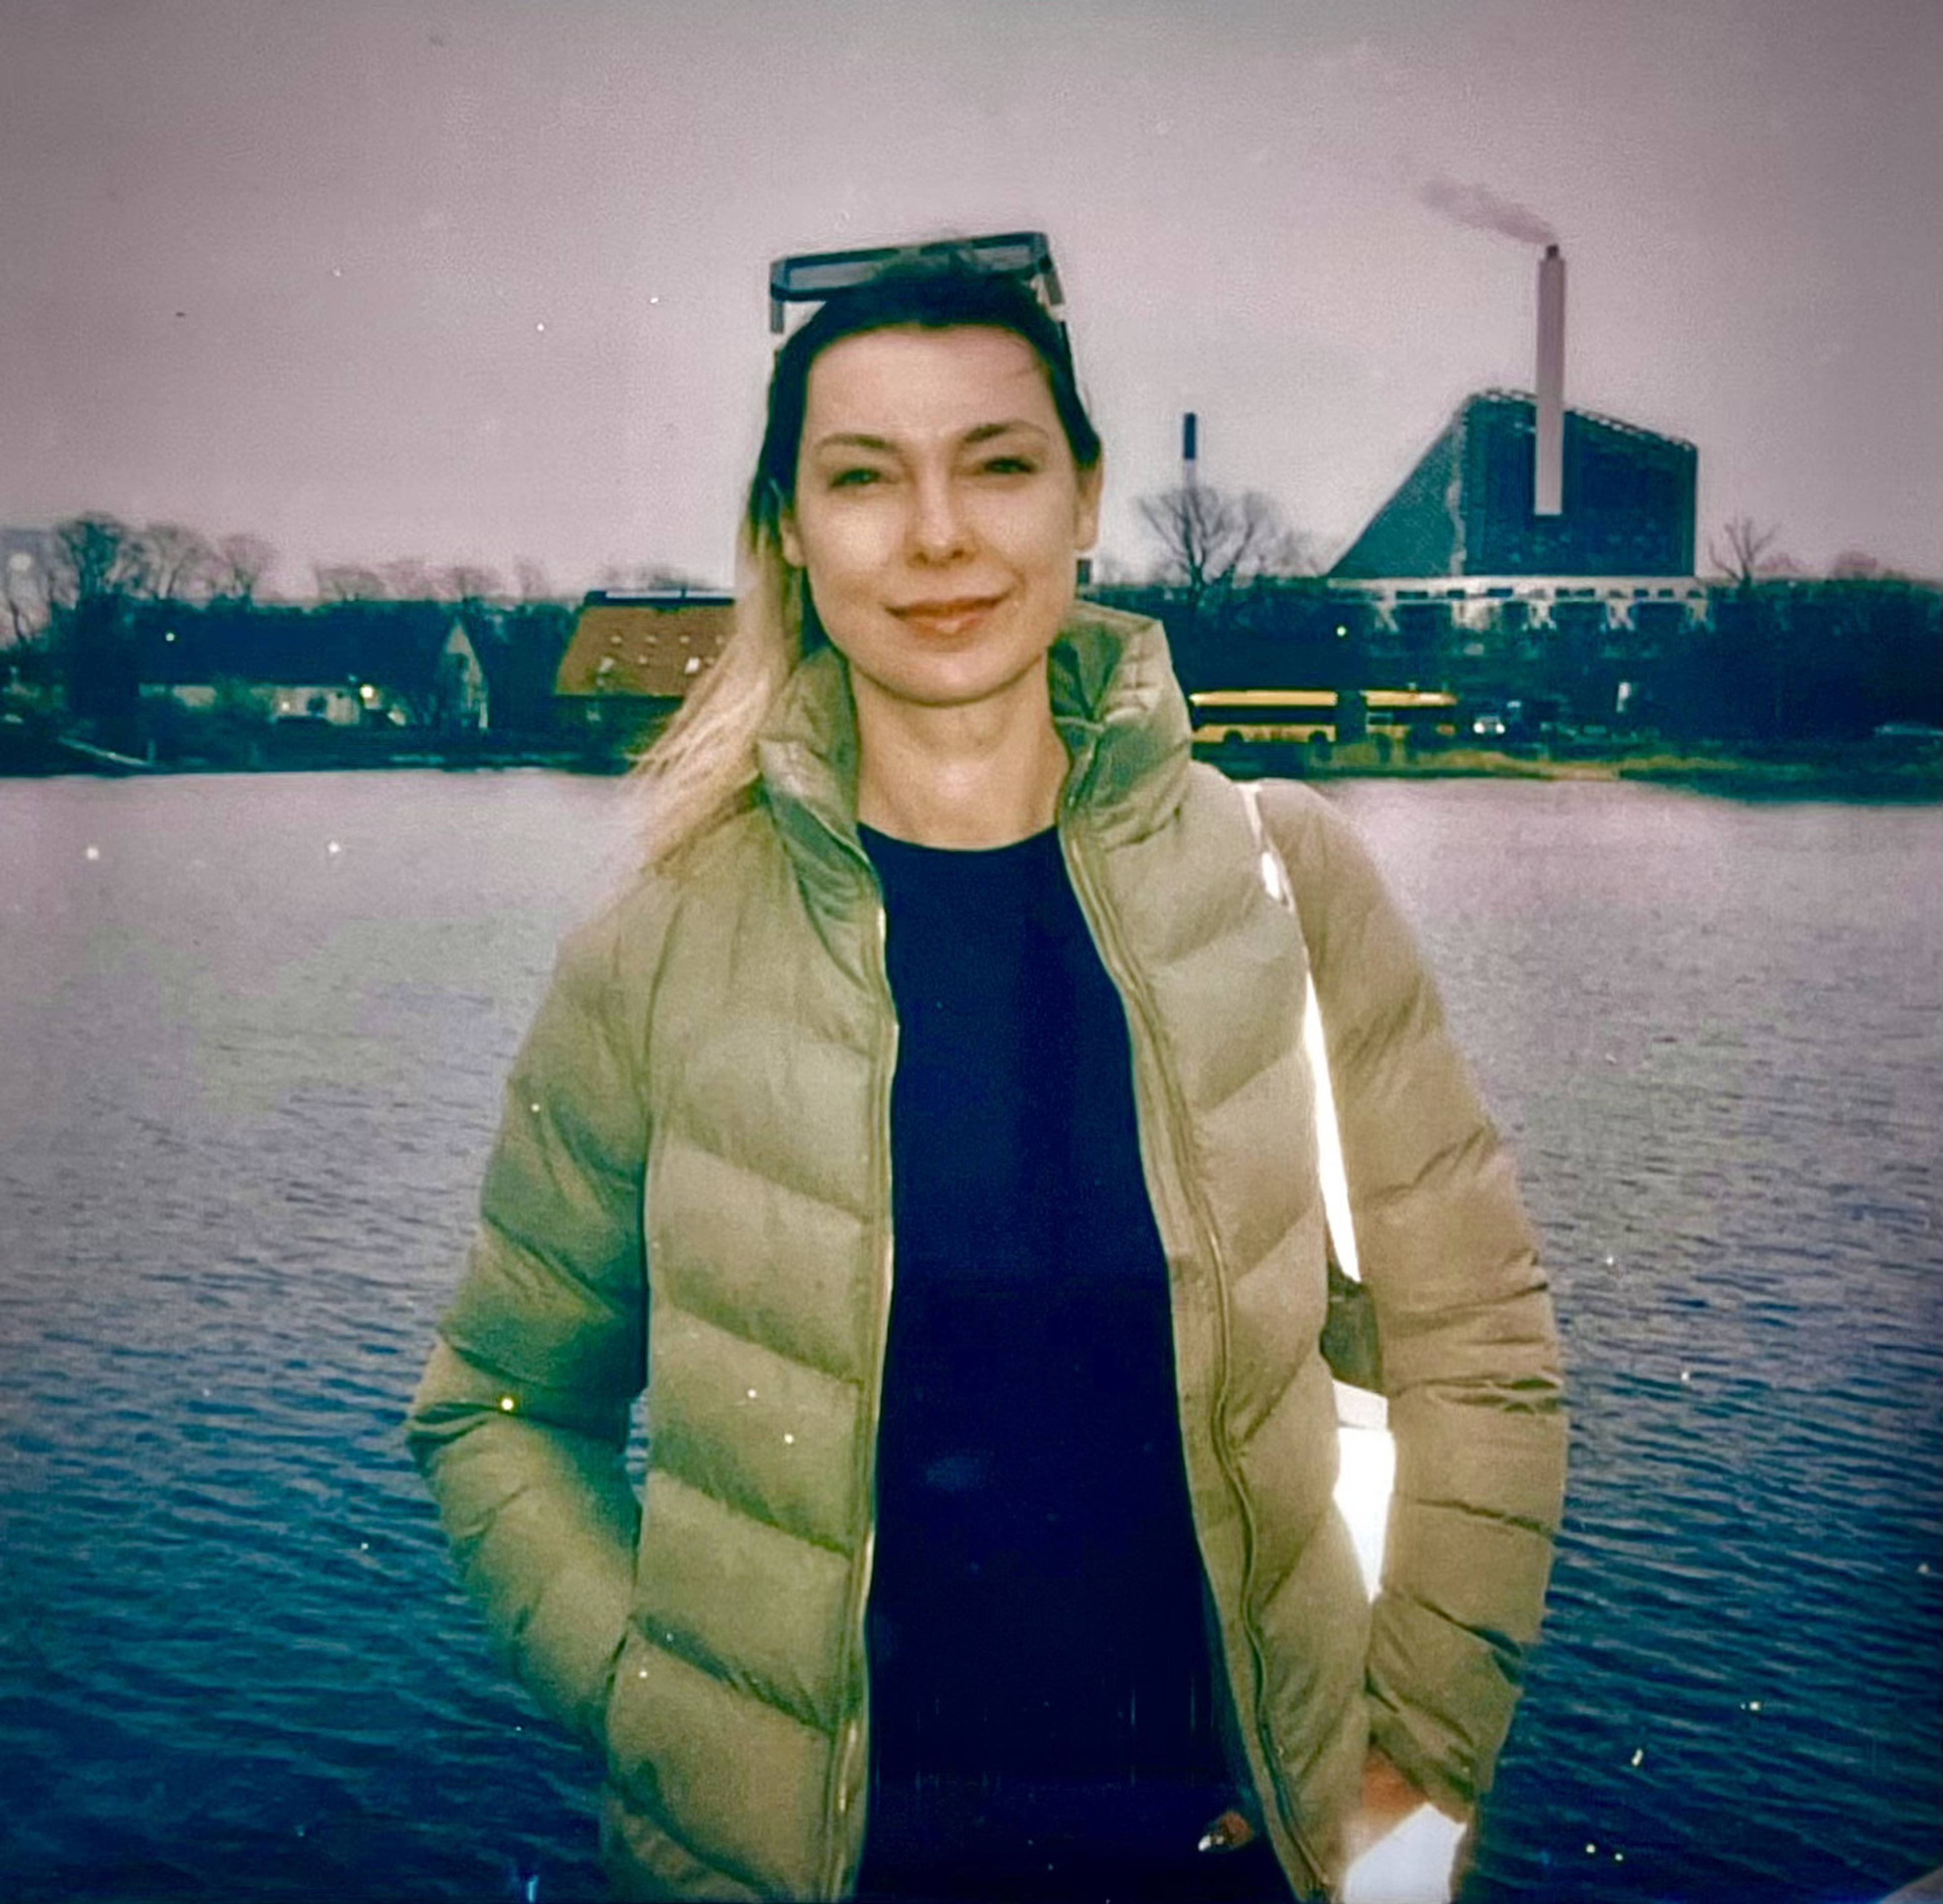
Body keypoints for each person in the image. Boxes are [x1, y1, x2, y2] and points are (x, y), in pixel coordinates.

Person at [406, 242, 1567, 1903]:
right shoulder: (660, 943)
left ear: (1084, 495)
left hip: (1233, 1864)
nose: (939, 535)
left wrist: (1419, 1763)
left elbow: (1482, 1354)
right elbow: (500, 1407)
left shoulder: (1285, 883)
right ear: (788, 529)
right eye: (865, 477)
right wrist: (669, 1715)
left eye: (998, 464)